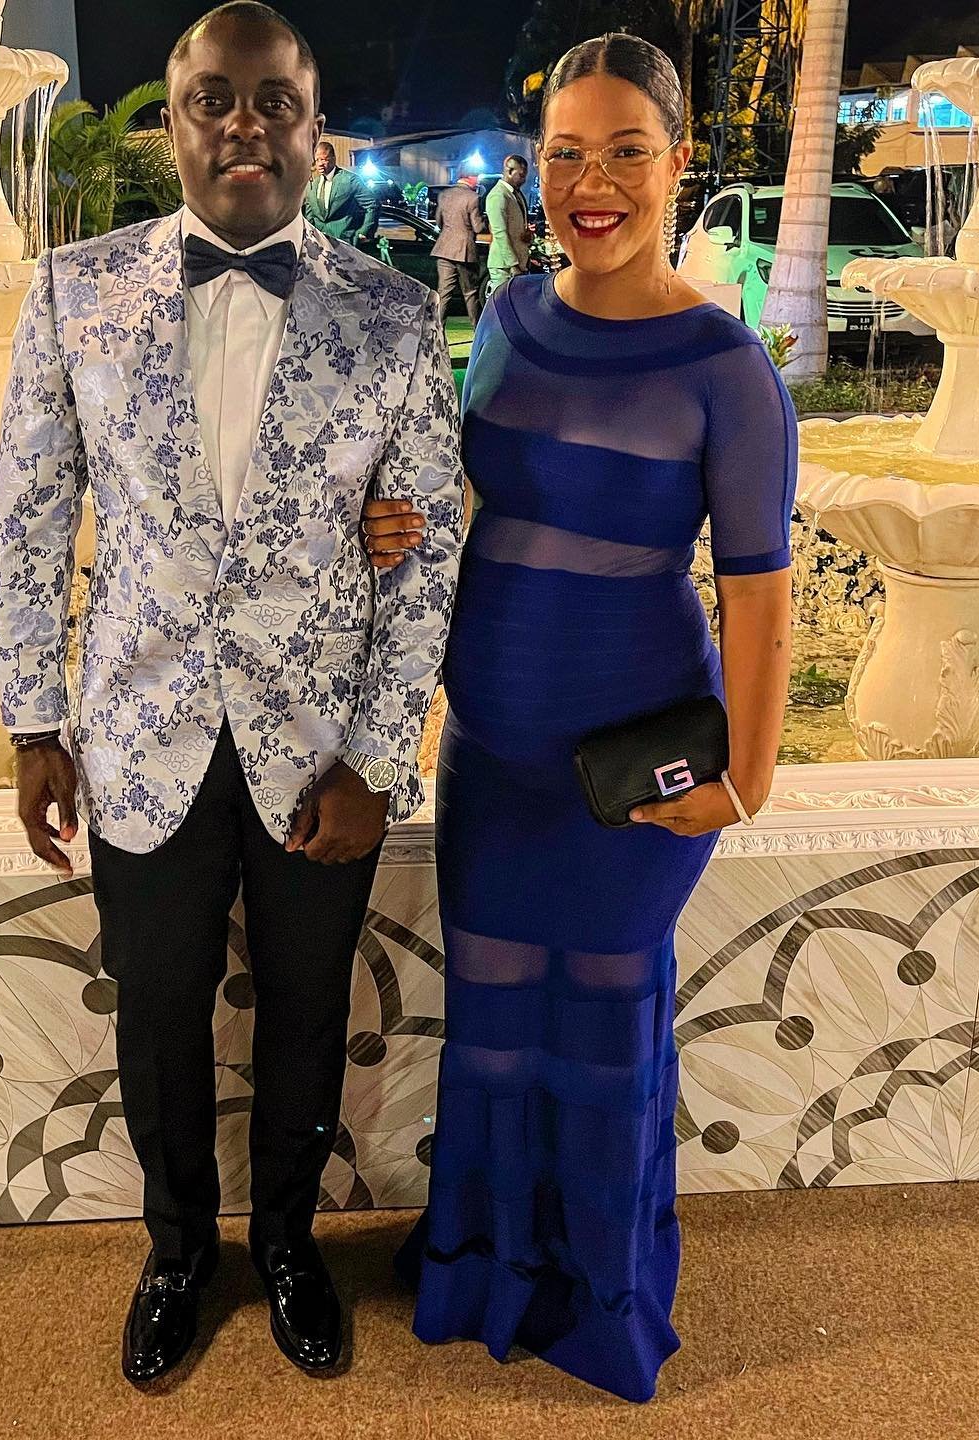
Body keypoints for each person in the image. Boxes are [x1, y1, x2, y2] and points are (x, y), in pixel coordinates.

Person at [0, 0, 465, 1391]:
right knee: (157, 1014)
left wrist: (380, 755)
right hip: (140, 736)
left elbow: (428, 544)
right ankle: (178, 1252)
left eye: (275, 101)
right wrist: (33, 723)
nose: (244, 123)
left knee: (309, 1011)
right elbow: (28, 518)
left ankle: (294, 1245)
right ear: (176, 125)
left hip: (322, 749)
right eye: (213, 98)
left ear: (318, 135)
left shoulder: (392, 314)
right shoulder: (74, 290)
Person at [364, 31, 796, 1404]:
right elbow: (468, 503)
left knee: (603, 1011)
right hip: (493, 746)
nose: (590, 184)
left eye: (624, 152)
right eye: (564, 154)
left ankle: (597, 1298)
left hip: (630, 761)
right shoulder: (506, 320)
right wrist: (395, 528)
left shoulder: (727, 369)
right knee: (494, 1009)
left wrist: (745, 779)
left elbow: (761, 599)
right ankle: (489, 1267)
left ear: (678, 164)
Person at [430, 169, 486, 324]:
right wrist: (485, 221)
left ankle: (437, 330)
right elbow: (478, 227)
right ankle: (477, 329)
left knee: (443, 293)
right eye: (476, 177)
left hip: (444, 249)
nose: (478, 180)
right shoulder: (473, 198)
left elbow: (439, 221)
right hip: (464, 251)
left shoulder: (444, 195)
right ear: (470, 177)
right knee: (470, 293)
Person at [302, 139, 376, 246]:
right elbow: (310, 215)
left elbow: (372, 205)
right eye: (317, 160)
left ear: (333, 159)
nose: (320, 164)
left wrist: (363, 232)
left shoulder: (350, 180)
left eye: (324, 159)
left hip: (344, 243)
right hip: (319, 245)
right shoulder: (313, 184)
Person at [484, 154, 533, 296]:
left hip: (518, 263)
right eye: (521, 175)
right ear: (509, 171)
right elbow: (500, 233)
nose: (524, 180)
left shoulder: (515, 194)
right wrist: (513, 265)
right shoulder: (498, 195)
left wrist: (527, 236)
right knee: (501, 305)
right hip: (504, 267)